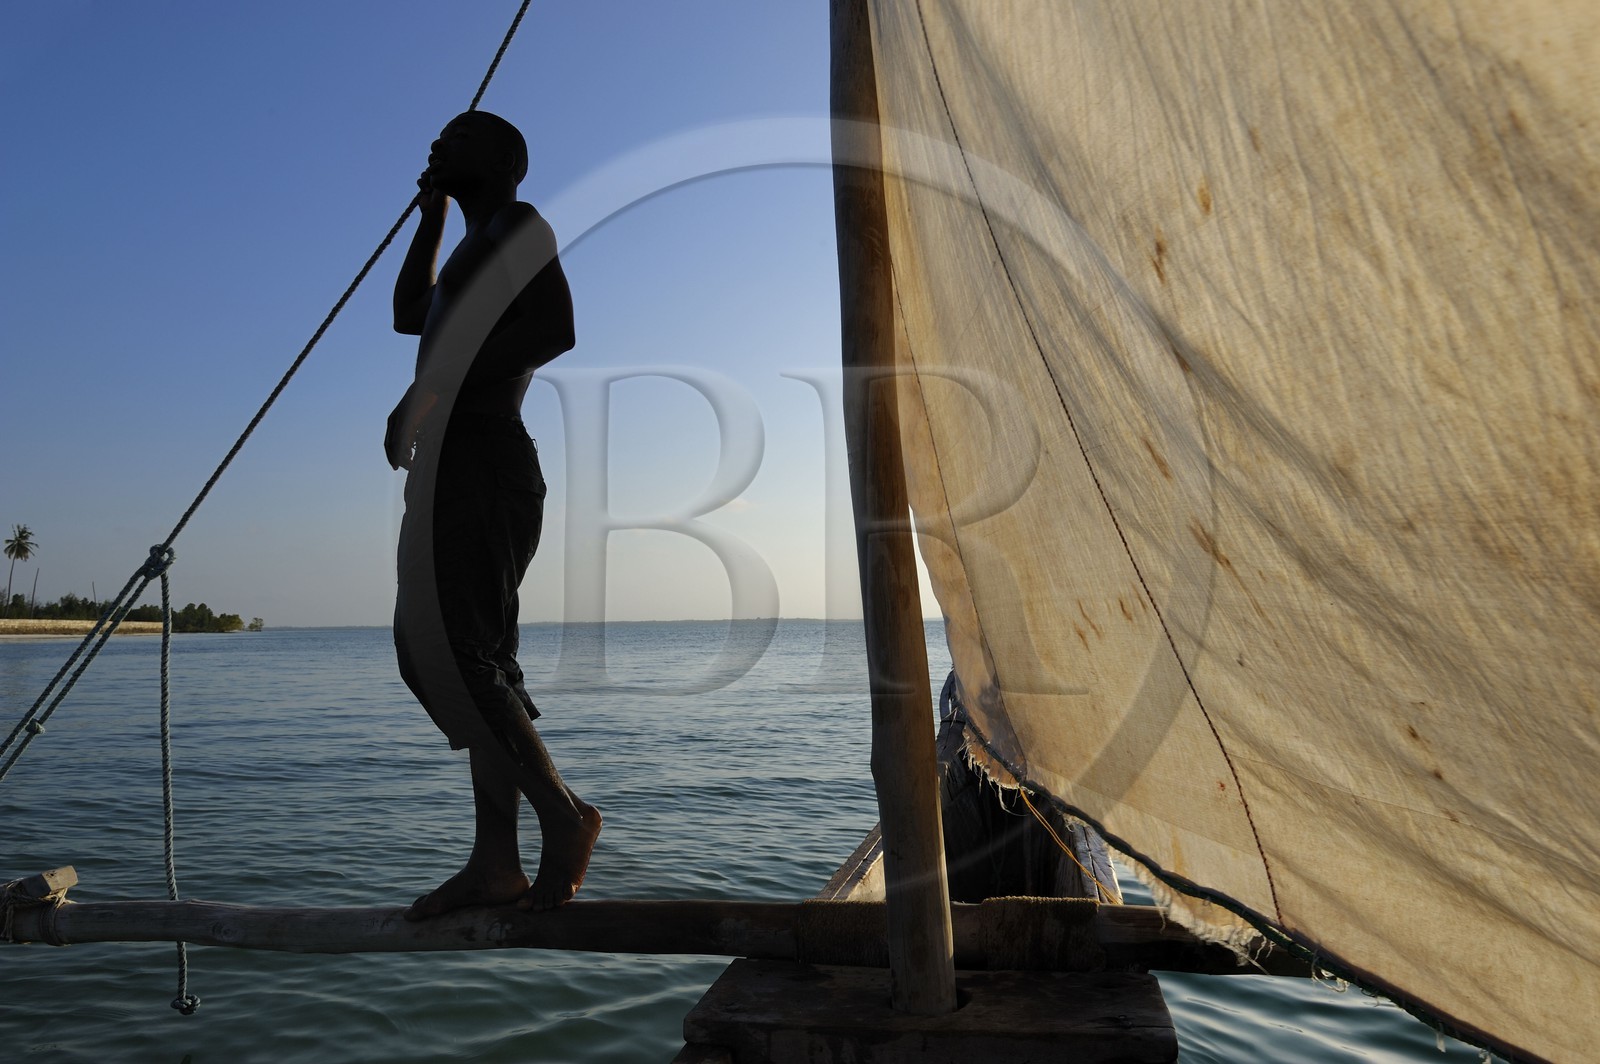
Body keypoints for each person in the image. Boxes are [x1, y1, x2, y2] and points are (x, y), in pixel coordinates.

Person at [388, 110, 600, 918]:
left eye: (460, 138)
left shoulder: (517, 221)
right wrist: (431, 220)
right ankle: (495, 862)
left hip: (484, 455)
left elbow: (556, 328)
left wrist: (434, 386)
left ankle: (564, 815)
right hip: (451, 466)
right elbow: (411, 311)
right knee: (452, 652)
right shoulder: (464, 256)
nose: (439, 143)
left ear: (507, 162)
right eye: (437, 136)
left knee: (448, 649)